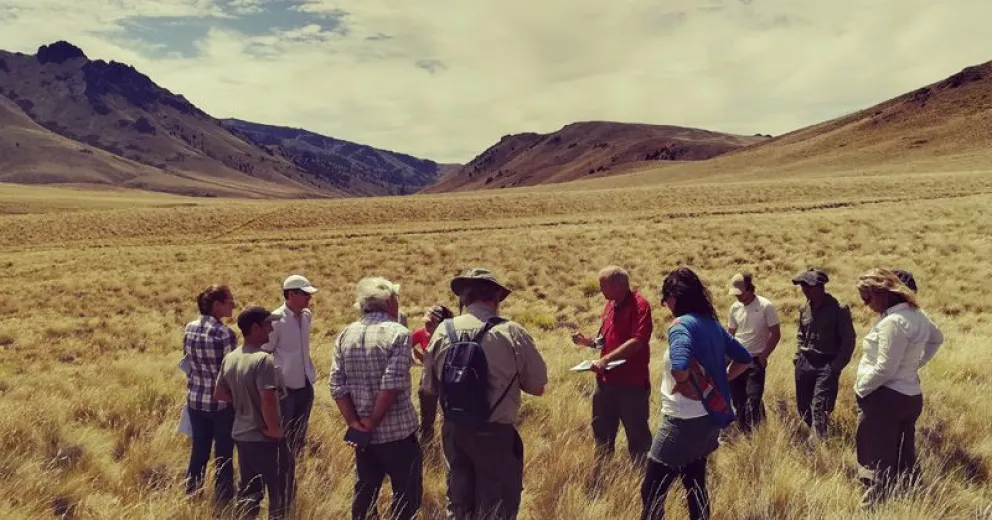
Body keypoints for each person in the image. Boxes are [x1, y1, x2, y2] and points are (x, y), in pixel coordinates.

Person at [421, 268, 548, 520]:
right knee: (496, 507)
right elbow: (538, 387)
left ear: (464, 299)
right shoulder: (512, 332)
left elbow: (428, 387)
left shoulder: (443, 331)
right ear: (496, 298)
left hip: (454, 431)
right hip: (495, 434)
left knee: (458, 502)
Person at [641, 267, 753, 520]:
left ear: (674, 298)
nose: (666, 305)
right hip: (709, 419)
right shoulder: (711, 324)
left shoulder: (680, 326)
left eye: (666, 299)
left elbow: (680, 366)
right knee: (695, 483)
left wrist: (684, 382)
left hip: (682, 421)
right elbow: (745, 359)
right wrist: (720, 381)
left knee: (652, 490)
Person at [330, 277, 422, 520]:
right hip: (398, 434)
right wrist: (372, 421)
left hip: (363, 437)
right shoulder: (399, 334)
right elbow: (391, 384)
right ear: (389, 302)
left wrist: (355, 424)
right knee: (406, 497)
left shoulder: (345, 334)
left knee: (365, 495)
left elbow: (336, 384)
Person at [854, 269, 943, 509]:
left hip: (885, 397)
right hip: (911, 396)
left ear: (883, 293)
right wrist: (916, 364)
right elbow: (937, 339)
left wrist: (861, 388)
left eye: (867, 297)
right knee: (904, 451)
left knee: (877, 454)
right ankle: (908, 498)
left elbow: (885, 368)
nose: (866, 304)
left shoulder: (892, 323)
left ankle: (873, 507)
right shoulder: (917, 315)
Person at [214, 306, 294, 520]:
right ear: (255, 328)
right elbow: (268, 399)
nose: (271, 330)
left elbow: (219, 393)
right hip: (264, 438)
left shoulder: (231, 358)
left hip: (241, 435)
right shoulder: (263, 360)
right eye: (268, 325)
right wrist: (274, 430)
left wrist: (243, 400)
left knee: (249, 493)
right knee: (279, 493)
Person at [570, 265, 654, 468]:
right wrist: (588, 342)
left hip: (631, 384)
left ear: (618, 285)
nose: (600, 290)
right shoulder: (610, 305)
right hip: (605, 382)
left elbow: (638, 340)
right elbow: (605, 340)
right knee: (602, 432)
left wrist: (605, 360)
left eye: (603, 285)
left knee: (637, 435)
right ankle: (604, 473)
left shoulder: (640, 305)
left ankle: (643, 476)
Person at [182, 285, 238, 505]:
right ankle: (223, 499)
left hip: (195, 400)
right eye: (229, 302)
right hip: (221, 404)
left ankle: (192, 494)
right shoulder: (225, 334)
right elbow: (231, 373)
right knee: (224, 454)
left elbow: (186, 362)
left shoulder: (189, 328)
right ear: (216, 305)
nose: (233, 305)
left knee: (199, 450)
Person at [791, 268, 856, 439]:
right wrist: (798, 357)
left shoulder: (839, 309)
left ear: (821, 287)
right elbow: (801, 334)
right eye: (803, 286)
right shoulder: (804, 309)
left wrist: (835, 366)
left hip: (827, 363)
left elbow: (848, 341)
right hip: (805, 362)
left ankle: (819, 446)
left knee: (820, 407)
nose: (805, 290)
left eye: (808, 286)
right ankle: (817, 433)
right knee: (803, 406)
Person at [264, 274, 318, 457]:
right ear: (291, 294)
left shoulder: (306, 316)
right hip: (285, 387)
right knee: (284, 432)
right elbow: (265, 350)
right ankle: (282, 465)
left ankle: (297, 464)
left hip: (305, 382)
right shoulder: (275, 319)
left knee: (300, 432)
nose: (309, 298)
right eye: (305, 294)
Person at [726, 272, 781, 434]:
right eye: (735, 294)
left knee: (753, 399)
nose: (738, 297)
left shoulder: (765, 306)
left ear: (750, 288)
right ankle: (744, 432)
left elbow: (776, 334)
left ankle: (757, 435)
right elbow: (730, 335)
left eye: (741, 293)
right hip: (735, 360)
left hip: (755, 359)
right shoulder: (734, 308)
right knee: (738, 400)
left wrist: (764, 356)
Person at [411, 304, 455, 441]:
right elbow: (407, 345)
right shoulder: (421, 333)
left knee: (447, 416)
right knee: (426, 418)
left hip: (446, 378)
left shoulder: (450, 336)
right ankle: (427, 443)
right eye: (425, 322)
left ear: (439, 324)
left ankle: (445, 443)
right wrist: (419, 358)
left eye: (430, 323)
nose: (426, 326)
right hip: (427, 378)